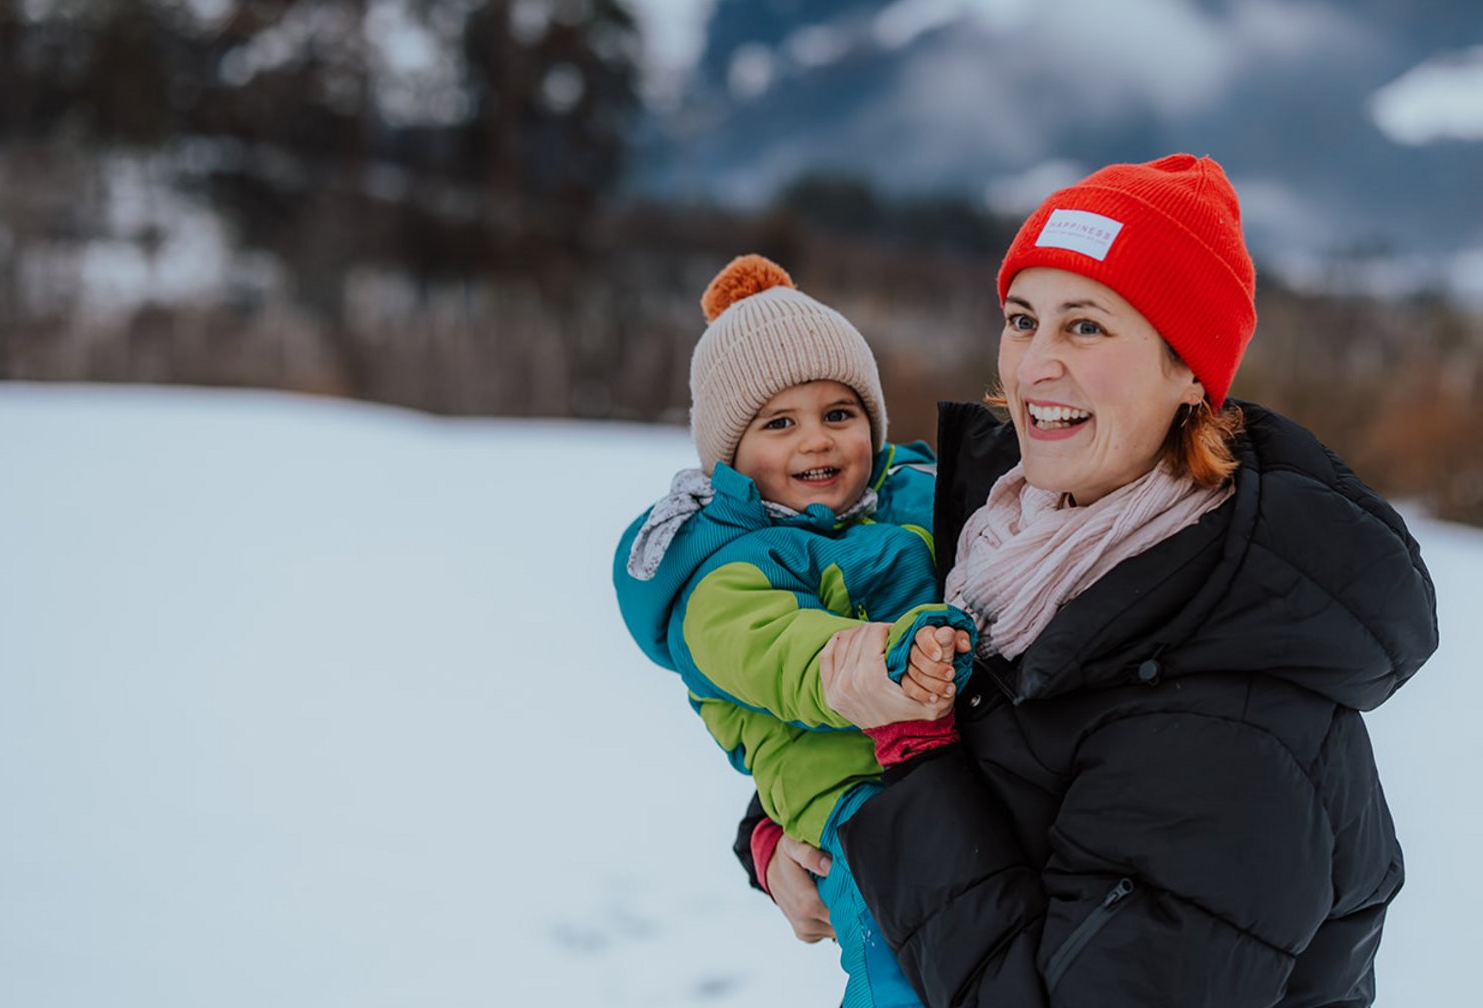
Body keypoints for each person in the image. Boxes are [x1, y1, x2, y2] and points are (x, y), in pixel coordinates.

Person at [739, 155, 1439, 1005]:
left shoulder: (1231, 719)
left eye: (1086, 327)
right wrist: (775, 842)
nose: (1034, 366)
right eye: (1022, 319)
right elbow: (975, 767)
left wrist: (911, 759)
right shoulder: (996, 542)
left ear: (1189, 372)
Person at [614, 254, 978, 1008]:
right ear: (729, 458)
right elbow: (790, 654)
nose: (816, 441)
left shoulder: (910, 499)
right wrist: (891, 659)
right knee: (901, 973)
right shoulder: (720, 577)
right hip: (849, 809)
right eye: (780, 423)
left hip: (952, 782)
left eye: (838, 415)